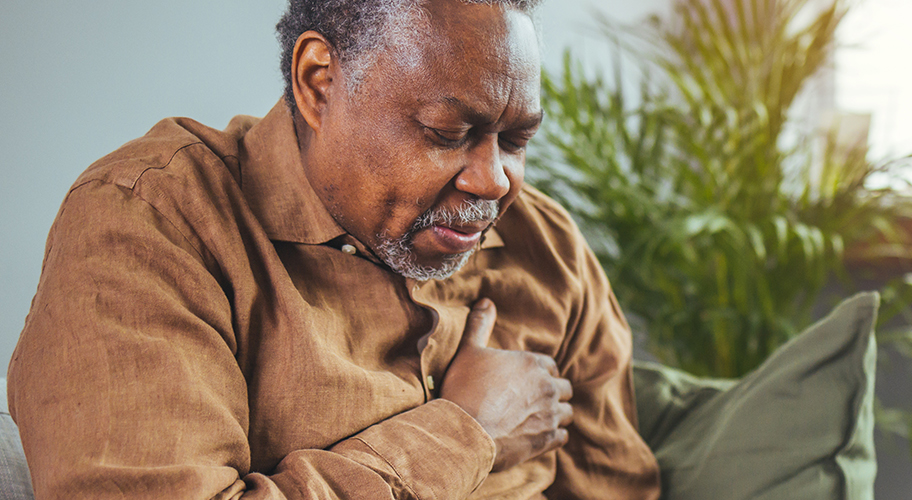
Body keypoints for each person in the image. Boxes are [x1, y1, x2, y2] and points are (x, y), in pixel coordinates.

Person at [6, 0, 661, 498]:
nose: (494, 182)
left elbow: (619, 487)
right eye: (447, 132)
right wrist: (467, 432)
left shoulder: (547, 246)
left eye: (515, 141)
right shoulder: (154, 222)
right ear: (319, 81)